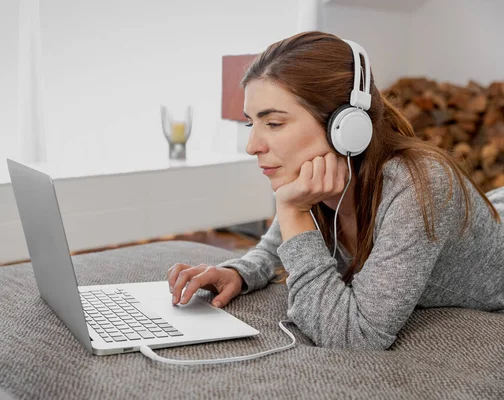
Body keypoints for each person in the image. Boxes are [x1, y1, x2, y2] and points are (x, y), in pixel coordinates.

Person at [167, 31, 504, 350]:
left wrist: (293, 212)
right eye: (250, 123)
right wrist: (237, 273)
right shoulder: (318, 180)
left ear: (346, 127)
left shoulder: (418, 185)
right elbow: (274, 247)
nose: (252, 146)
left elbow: (357, 336)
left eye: (273, 123)